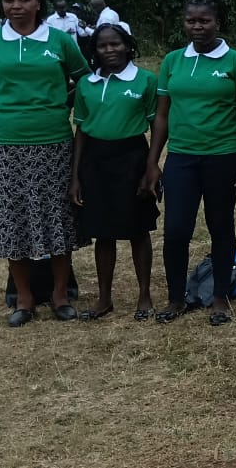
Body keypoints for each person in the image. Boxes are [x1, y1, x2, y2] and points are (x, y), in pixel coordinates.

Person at [0, 0, 90, 327]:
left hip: (54, 142)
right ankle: (23, 299)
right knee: (14, 220)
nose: (16, 6)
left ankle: (59, 294)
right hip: (7, 146)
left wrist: (60, 106)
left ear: (38, 3)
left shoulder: (59, 40)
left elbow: (84, 81)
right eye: (9, 0)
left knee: (57, 217)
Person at [148, 0, 236, 327]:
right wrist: (154, 161)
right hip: (182, 157)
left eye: (204, 20)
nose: (197, 26)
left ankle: (220, 297)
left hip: (223, 156)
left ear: (217, 23)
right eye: (191, 21)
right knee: (176, 230)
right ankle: (176, 297)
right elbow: (162, 115)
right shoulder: (172, 61)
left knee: (220, 226)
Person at [70, 24, 160, 322]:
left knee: (138, 229)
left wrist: (151, 166)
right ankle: (104, 298)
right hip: (95, 160)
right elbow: (81, 128)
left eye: (116, 44)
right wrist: (76, 175)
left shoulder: (146, 80)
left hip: (132, 157)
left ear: (128, 46)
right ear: (94, 51)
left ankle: (144, 295)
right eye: (102, 46)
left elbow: (157, 125)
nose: (110, 50)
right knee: (102, 232)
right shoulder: (86, 84)